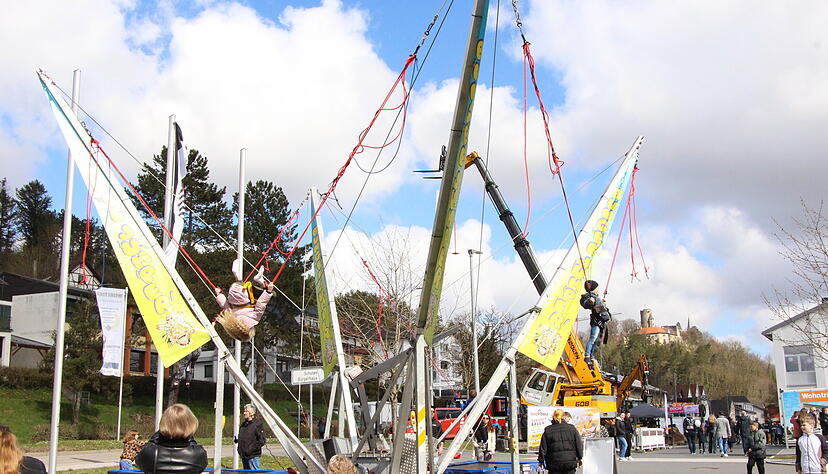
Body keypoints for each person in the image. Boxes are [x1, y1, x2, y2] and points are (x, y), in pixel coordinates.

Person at [135, 404, 208, 474]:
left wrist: (161, 432)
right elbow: (193, 445)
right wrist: (187, 433)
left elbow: (139, 462)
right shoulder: (198, 453)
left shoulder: (150, 452)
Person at [214, 263, 274, 341]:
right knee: (240, 283)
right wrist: (219, 294)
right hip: (233, 292)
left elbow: (261, 304)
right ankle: (255, 279)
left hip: (245, 296)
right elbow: (224, 304)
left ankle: (259, 280)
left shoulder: (255, 319)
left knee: (272, 294)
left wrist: (268, 292)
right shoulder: (231, 318)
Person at [539, 409, 583, 474]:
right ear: (563, 417)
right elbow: (579, 444)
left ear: (553, 417)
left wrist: (541, 460)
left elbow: (543, 448)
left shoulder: (548, 430)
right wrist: (580, 457)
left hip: (554, 463)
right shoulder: (572, 429)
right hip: (569, 463)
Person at [579, 280, 611, 365]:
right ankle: (587, 355)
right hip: (596, 321)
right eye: (597, 288)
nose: (598, 290)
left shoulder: (596, 298)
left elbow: (601, 309)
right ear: (593, 289)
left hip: (600, 321)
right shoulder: (591, 297)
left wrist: (603, 303)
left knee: (597, 340)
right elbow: (586, 304)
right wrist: (590, 301)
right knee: (593, 338)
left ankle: (592, 356)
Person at [238, 404, 266, 470]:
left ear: (252, 413)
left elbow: (262, 441)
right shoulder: (243, 425)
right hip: (244, 456)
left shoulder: (257, 424)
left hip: (253, 456)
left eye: (247, 411)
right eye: (244, 411)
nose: (244, 413)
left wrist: (250, 449)